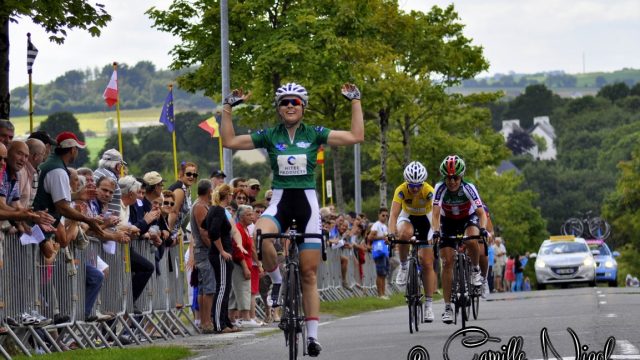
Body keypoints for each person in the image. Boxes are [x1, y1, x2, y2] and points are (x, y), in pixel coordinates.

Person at [221, 81, 363, 356]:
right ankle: (276, 281)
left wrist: (355, 101)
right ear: (278, 107)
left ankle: (312, 337)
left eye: (295, 102)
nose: (289, 106)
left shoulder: (314, 133)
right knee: (259, 235)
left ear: (303, 107)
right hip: (281, 202)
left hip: (307, 202)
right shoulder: (270, 135)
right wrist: (227, 108)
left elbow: (356, 135)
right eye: (284, 102)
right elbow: (229, 141)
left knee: (309, 274)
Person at [431, 155, 489, 324]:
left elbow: (480, 212)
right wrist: (435, 231)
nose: (452, 181)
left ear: (461, 176)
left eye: (455, 177)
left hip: (467, 218)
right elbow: (435, 214)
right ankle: (448, 307)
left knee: (472, 239)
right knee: (447, 262)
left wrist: (483, 229)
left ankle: (475, 270)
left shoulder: (468, 188)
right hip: (447, 221)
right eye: (448, 178)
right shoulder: (439, 189)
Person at [388, 161, 436, 322]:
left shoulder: (429, 191)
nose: (415, 189)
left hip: (426, 219)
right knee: (403, 235)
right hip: (407, 217)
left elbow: (436, 215)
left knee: (427, 262)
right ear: (406, 182)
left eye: (418, 185)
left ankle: (429, 305)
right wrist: (390, 233)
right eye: (412, 185)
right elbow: (393, 215)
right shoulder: (401, 190)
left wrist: (435, 233)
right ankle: (403, 266)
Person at [204, 184, 240, 334]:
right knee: (222, 288)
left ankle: (226, 321)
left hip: (221, 253)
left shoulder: (213, 209)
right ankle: (219, 323)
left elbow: (204, 224)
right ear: (228, 196)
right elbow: (212, 231)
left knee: (225, 288)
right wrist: (222, 250)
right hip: (220, 254)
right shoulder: (218, 210)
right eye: (231, 194)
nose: (232, 197)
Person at [191, 179, 215, 333]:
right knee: (208, 288)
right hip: (204, 251)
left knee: (202, 288)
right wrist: (214, 248)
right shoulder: (200, 206)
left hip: (202, 251)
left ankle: (204, 321)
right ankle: (206, 322)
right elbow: (204, 232)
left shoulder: (201, 205)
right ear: (209, 191)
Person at [168, 161, 198, 236]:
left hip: (175, 231)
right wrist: (169, 233)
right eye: (188, 174)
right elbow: (173, 212)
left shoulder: (186, 189)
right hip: (169, 232)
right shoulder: (179, 190)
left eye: (194, 174)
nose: (191, 177)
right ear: (181, 174)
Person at [367, 208, 390, 299]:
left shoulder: (384, 226)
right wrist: (382, 237)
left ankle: (383, 293)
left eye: (386, 216)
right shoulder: (376, 225)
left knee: (384, 273)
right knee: (380, 273)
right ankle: (380, 294)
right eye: (383, 215)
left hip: (384, 250)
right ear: (379, 215)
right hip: (379, 251)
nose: (384, 217)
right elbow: (370, 237)